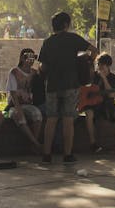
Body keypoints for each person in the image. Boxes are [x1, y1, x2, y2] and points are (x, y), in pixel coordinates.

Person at [37, 11, 97, 164]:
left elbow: (43, 67)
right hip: (71, 84)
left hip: (52, 85)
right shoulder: (73, 39)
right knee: (68, 119)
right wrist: (88, 61)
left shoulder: (48, 42)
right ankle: (67, 154)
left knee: (51, 119)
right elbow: (94, 50)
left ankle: (46, 154)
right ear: (66, 24)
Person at [82, 52, 115, 153]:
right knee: (88, 113)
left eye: (102, 65)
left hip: (108, 105)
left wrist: (104, 78)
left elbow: (112, 95)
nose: (100, 67)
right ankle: (93, 143)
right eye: (98, 65)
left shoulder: (114, 78)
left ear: (108, 66)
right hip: (95, 105)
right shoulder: (93, 76)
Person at [5, 48, 45, 153]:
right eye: (29, 57)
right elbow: (13, 92)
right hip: (14, 104)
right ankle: (36, 144)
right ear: (22, 58)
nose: (31, 60)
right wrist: (18, 108)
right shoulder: (14, 72)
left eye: (33, 58)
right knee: (20, 118)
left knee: (37, 115)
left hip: (28, 104)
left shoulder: (35, 73)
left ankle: (33, 143)